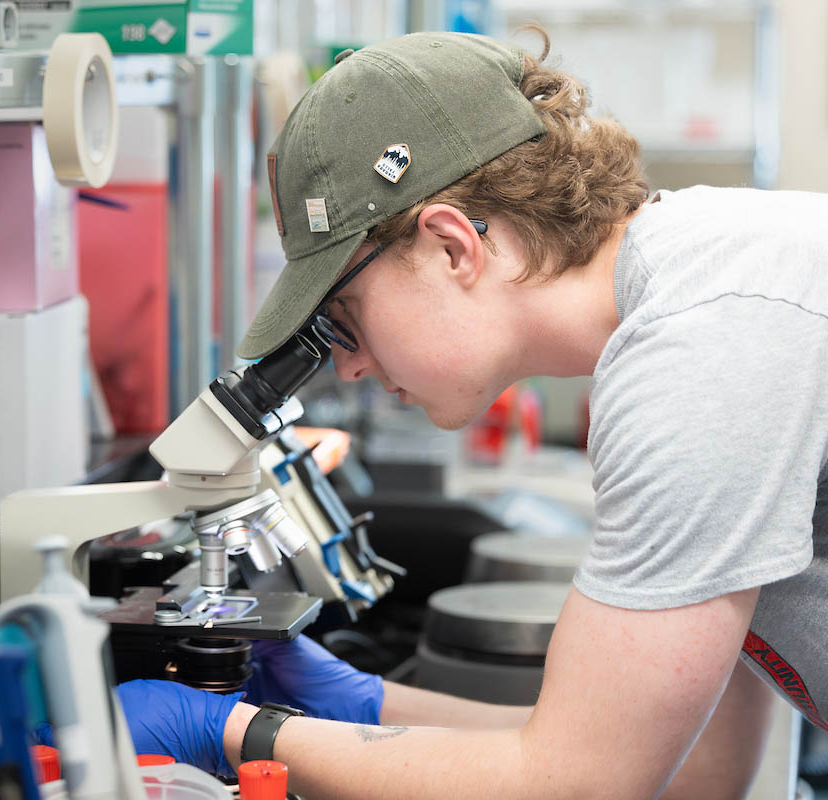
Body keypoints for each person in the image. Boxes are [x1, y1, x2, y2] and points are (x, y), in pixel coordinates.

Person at [103, 28, 828, 798]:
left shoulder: (700, 354)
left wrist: (232, 735)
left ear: (452, 247)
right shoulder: (702, 282)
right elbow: (692, 772)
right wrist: (358, 708)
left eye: (345, 315)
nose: (348, 364)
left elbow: (574, 786)